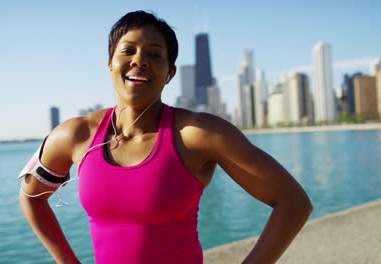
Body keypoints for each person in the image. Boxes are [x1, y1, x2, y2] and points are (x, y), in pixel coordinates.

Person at [19, 10, 313, 264]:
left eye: (154, 54)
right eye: (128, 50)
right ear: (110, 63)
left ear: (170, 73)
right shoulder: (76, 135)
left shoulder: (198, 134)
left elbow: (294, 202)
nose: (140, 60)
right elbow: (32, 197)